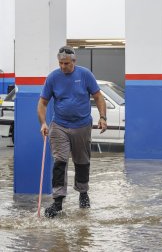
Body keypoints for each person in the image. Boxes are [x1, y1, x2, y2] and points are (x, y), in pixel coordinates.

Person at [37, 46, 107, 218]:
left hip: (82, 125)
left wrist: (102, 117)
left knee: (82, 161)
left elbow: (98, 97)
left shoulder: (85, 75)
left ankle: (83, 193)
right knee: (59, 161)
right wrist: (43, 123)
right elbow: (43, 102)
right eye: (60, 63)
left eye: (66, 63)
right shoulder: (53, 77)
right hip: (59, 125)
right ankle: (58, 201)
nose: (63, 67)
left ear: (74, 61)